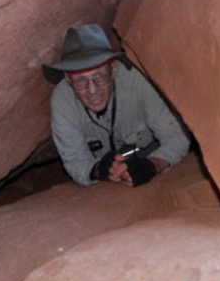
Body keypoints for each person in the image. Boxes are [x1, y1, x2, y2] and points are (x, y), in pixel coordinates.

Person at [42, 23, 189, 187]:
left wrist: (153, 164)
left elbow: (177, 136)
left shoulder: (138, 80)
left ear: (113, 68)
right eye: (81, 80)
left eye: (99, 76)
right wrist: (98, 169)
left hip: (149, 153)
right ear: (68, 79)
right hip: (104, 169)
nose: (92, 90)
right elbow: (75, 160)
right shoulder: (62, 100)